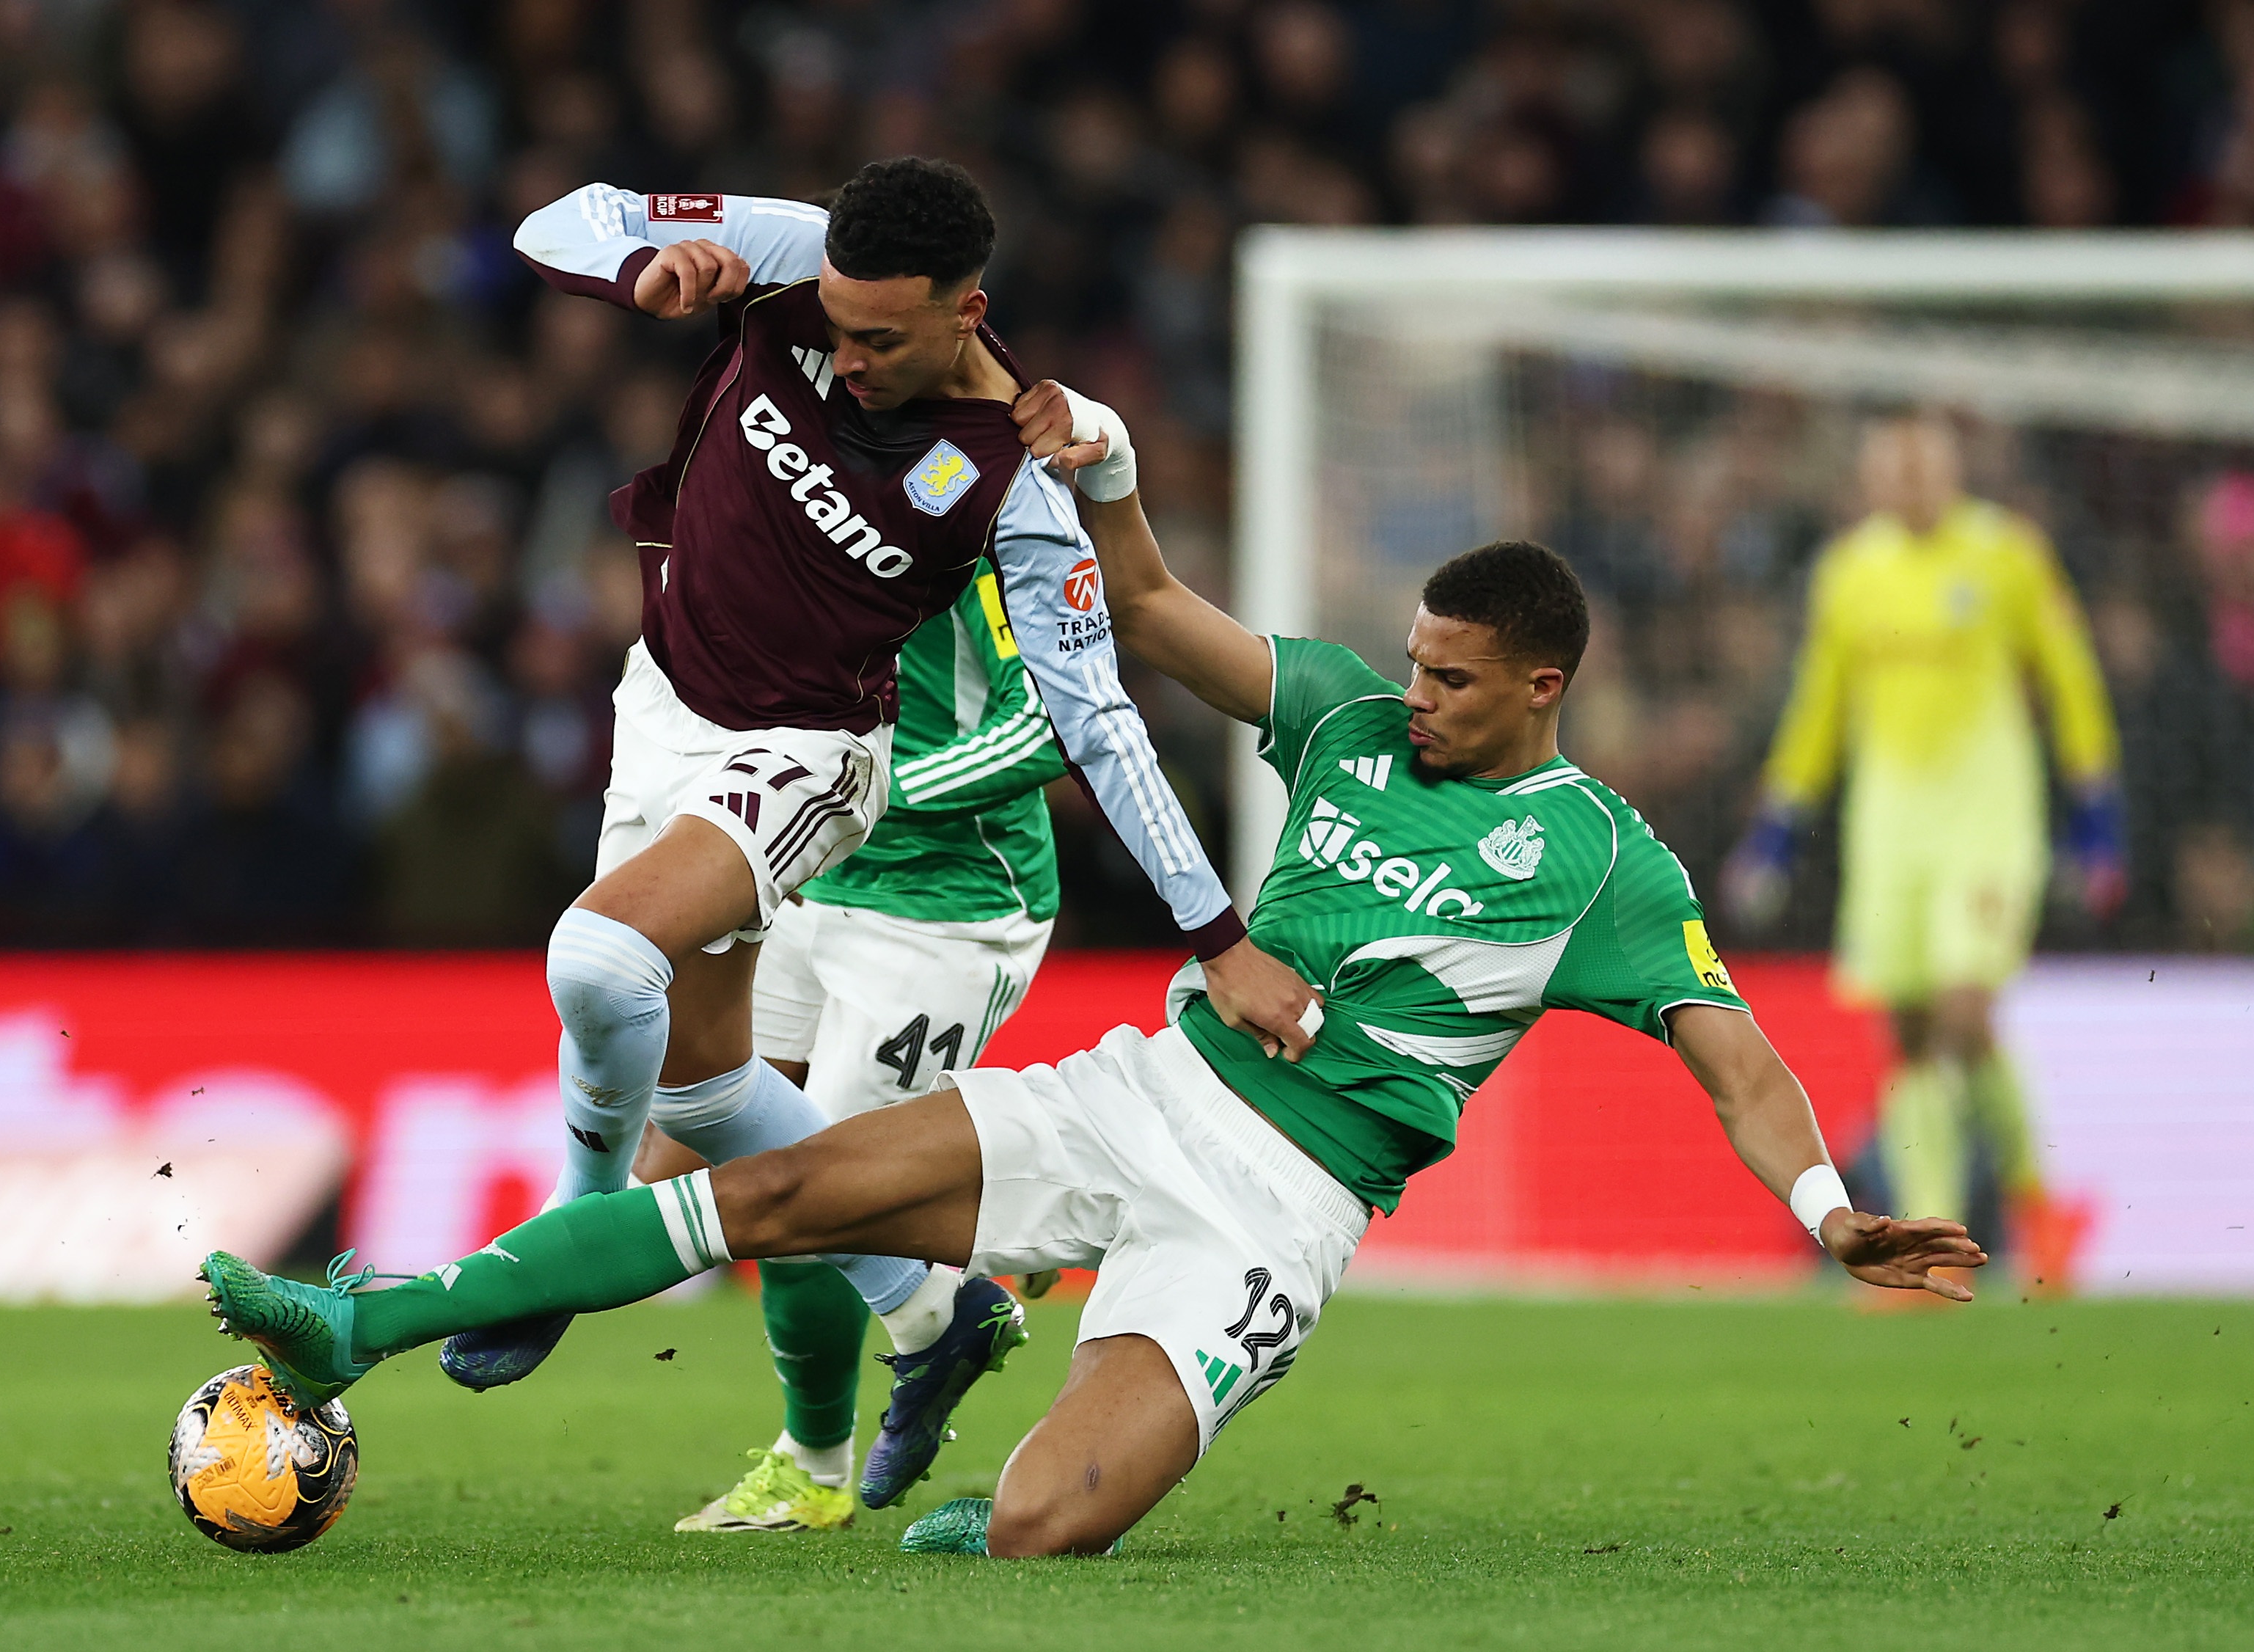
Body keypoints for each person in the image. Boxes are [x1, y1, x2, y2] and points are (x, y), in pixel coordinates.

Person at [201, 523, 1986, 1558]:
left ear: (1541, 685)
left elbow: (1734, 1054)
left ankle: (976, 1455)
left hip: (1278, 1210)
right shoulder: (1346, 717)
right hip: (1136, 1092)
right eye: (1417, 663)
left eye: (1453, 676)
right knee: (770, 1188)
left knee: (1043, 1527)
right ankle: (363, 1323)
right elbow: (1139, 610)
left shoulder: (1603, 856)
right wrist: (1097, 460)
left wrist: (1830, 1209)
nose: (1415, 691)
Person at [436, 157, 1319, 1513]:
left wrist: (1219, 934)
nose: (843, 360)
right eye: (832, 327)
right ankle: (930, 1310)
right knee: (709, 1101)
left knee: (627, 992)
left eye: (880, 340)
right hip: (677, 711)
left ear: (968, 310)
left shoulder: (1019, 486)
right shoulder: (797, 259)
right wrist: (647, 271)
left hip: (879, 830)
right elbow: (565, 216)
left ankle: (782, 1432)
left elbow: (1092, 728)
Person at [639, 559, 1069, 1535]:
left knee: (814, 1186)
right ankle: (990, 1241)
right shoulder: (782, 482)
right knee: (722, 1141)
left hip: (946, 911)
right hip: (813, 875)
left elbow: (1043, 723)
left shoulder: (974, 515)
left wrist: (875, 791)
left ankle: (816, 1460)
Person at [1721, 412, 2118, 1290]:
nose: (1908, 484)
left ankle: (2035, 1205)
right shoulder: (1848, 572)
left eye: (1924, 468)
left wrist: (2097, 803)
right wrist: (1778, 828)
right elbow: (1819, 706)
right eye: (1891, 471)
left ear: (1953, 473)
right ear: (1868, 482)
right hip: (1890, 829)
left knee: (1964, 1012)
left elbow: (2070, 672)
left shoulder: (2007, 554)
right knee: (1909, 1035)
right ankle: (1940, 1249)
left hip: (1988, 820)